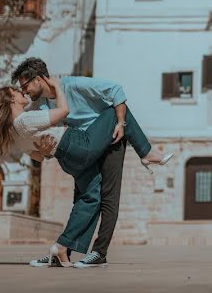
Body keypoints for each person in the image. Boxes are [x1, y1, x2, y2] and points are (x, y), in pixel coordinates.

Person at [10, 58, 169, 267]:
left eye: (25, 85)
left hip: (111, 137)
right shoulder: (42, 106)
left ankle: (99, 253)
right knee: (86, 198)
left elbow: (116, 90)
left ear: (39, 79)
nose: (25, 91)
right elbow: (48, 136)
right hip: (85, 145)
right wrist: (45, 151)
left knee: (108, 197)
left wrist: (121, 123)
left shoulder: (74, 84)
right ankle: (63, 248)